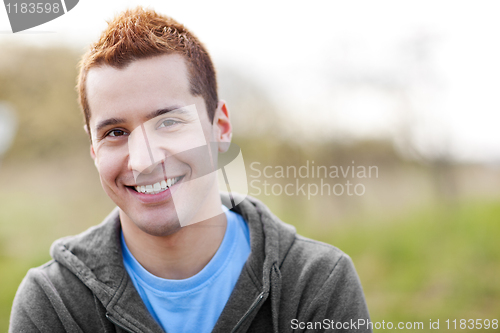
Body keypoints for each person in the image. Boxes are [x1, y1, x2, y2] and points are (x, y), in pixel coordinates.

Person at [10, 7, 372, 333]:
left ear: (221, 128)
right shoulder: (54, 303)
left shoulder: (316, 283)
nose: (144, 160)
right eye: (115, 133)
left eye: (168, 123)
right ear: (94, 149)